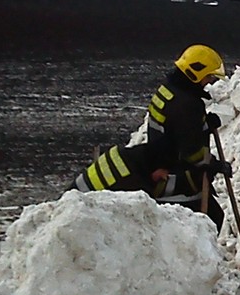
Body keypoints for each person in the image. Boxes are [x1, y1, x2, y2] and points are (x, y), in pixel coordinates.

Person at [75, 44, 229, 227]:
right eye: (208, 76)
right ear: (195, 72)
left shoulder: (170, 90)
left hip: (158, 159)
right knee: (211, 220)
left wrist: (203, 124)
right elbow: (192, 153)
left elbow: (175, 127)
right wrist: (215, 165)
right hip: (172, 171)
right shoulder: (188, 105)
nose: (210, 81)